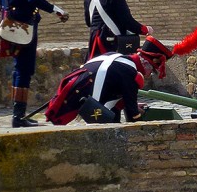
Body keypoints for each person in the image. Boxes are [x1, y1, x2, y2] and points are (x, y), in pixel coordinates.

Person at [47, 35, 175, 125]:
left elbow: (117, 88)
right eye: (152, 69)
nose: (150, 74)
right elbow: (133, 114)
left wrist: (131, 104)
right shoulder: (131, 73)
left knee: (114, 114)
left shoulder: (115, 57)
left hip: (76, 89)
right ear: (147, 63)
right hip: (87, 100)